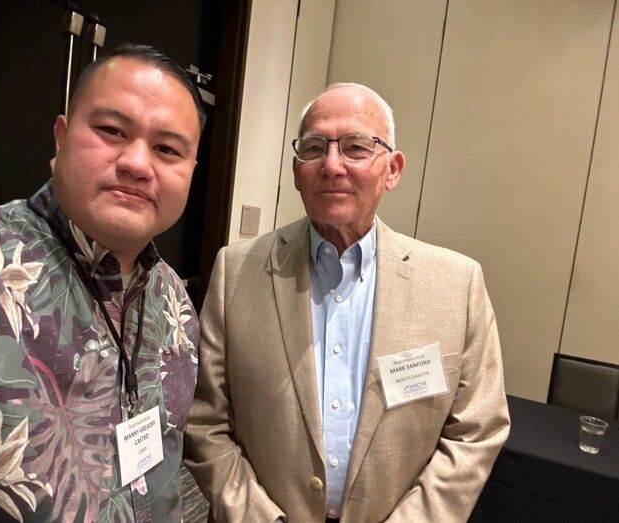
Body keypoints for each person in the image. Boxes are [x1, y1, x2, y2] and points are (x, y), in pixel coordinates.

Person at [184, 83, 510, 522]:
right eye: (314, 148)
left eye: (356, 147)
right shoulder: (236, 271)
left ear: (392, 170)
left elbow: (477, 429)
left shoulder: (457, 285)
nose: (332, 165)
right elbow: (205, 422)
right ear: (296, 170)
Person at [0, 44, 205, 522]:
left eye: (167, 149)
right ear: (61, 137)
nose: (138, 163)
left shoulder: (175, 300)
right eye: (112, 130)